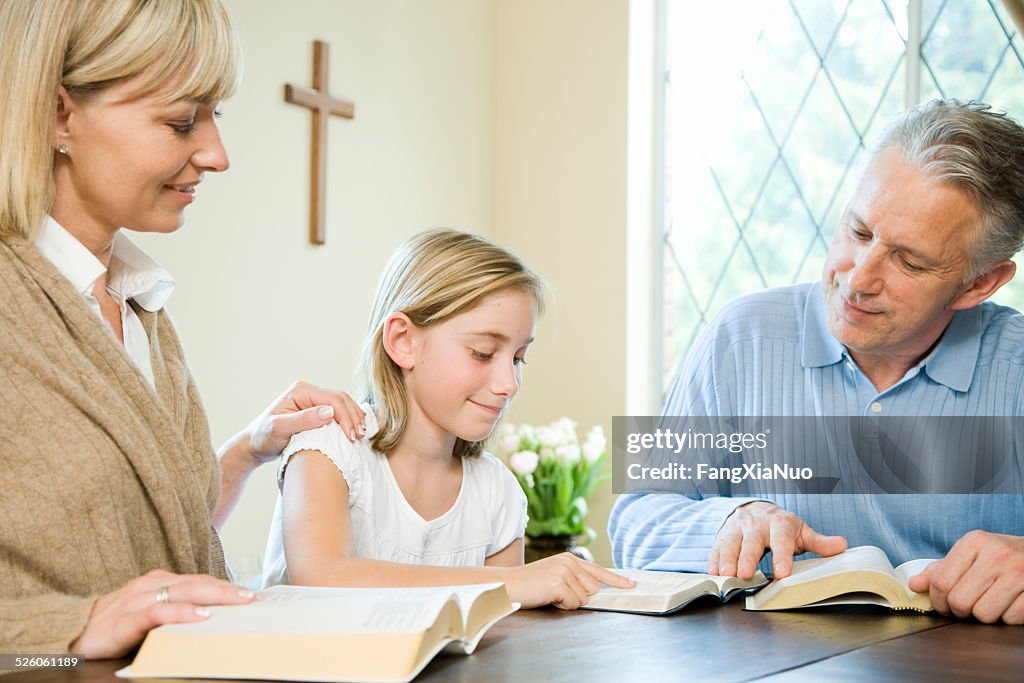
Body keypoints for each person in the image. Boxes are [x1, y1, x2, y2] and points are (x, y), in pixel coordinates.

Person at [0, 0, 364, 656]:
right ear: (61, 114)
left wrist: (243, 452)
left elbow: (146, 530)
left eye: (213, 115)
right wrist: (71, 628)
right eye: (180, 121)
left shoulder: (141, 306)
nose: (217, 154)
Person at [609, 99, 1024, 625]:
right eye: (859, 232)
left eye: (909, 261)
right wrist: (729, 520)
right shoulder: (738, 337)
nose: (858, 278)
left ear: (980, 283)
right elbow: (633, 522)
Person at [262, 229, 634, 609]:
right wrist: (509, 583)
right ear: (403, 341)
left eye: (518, 358)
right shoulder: (328, 448)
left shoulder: (496, 493)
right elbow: (322, 577)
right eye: (482, 352)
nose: (509, 384)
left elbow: (502, 630)